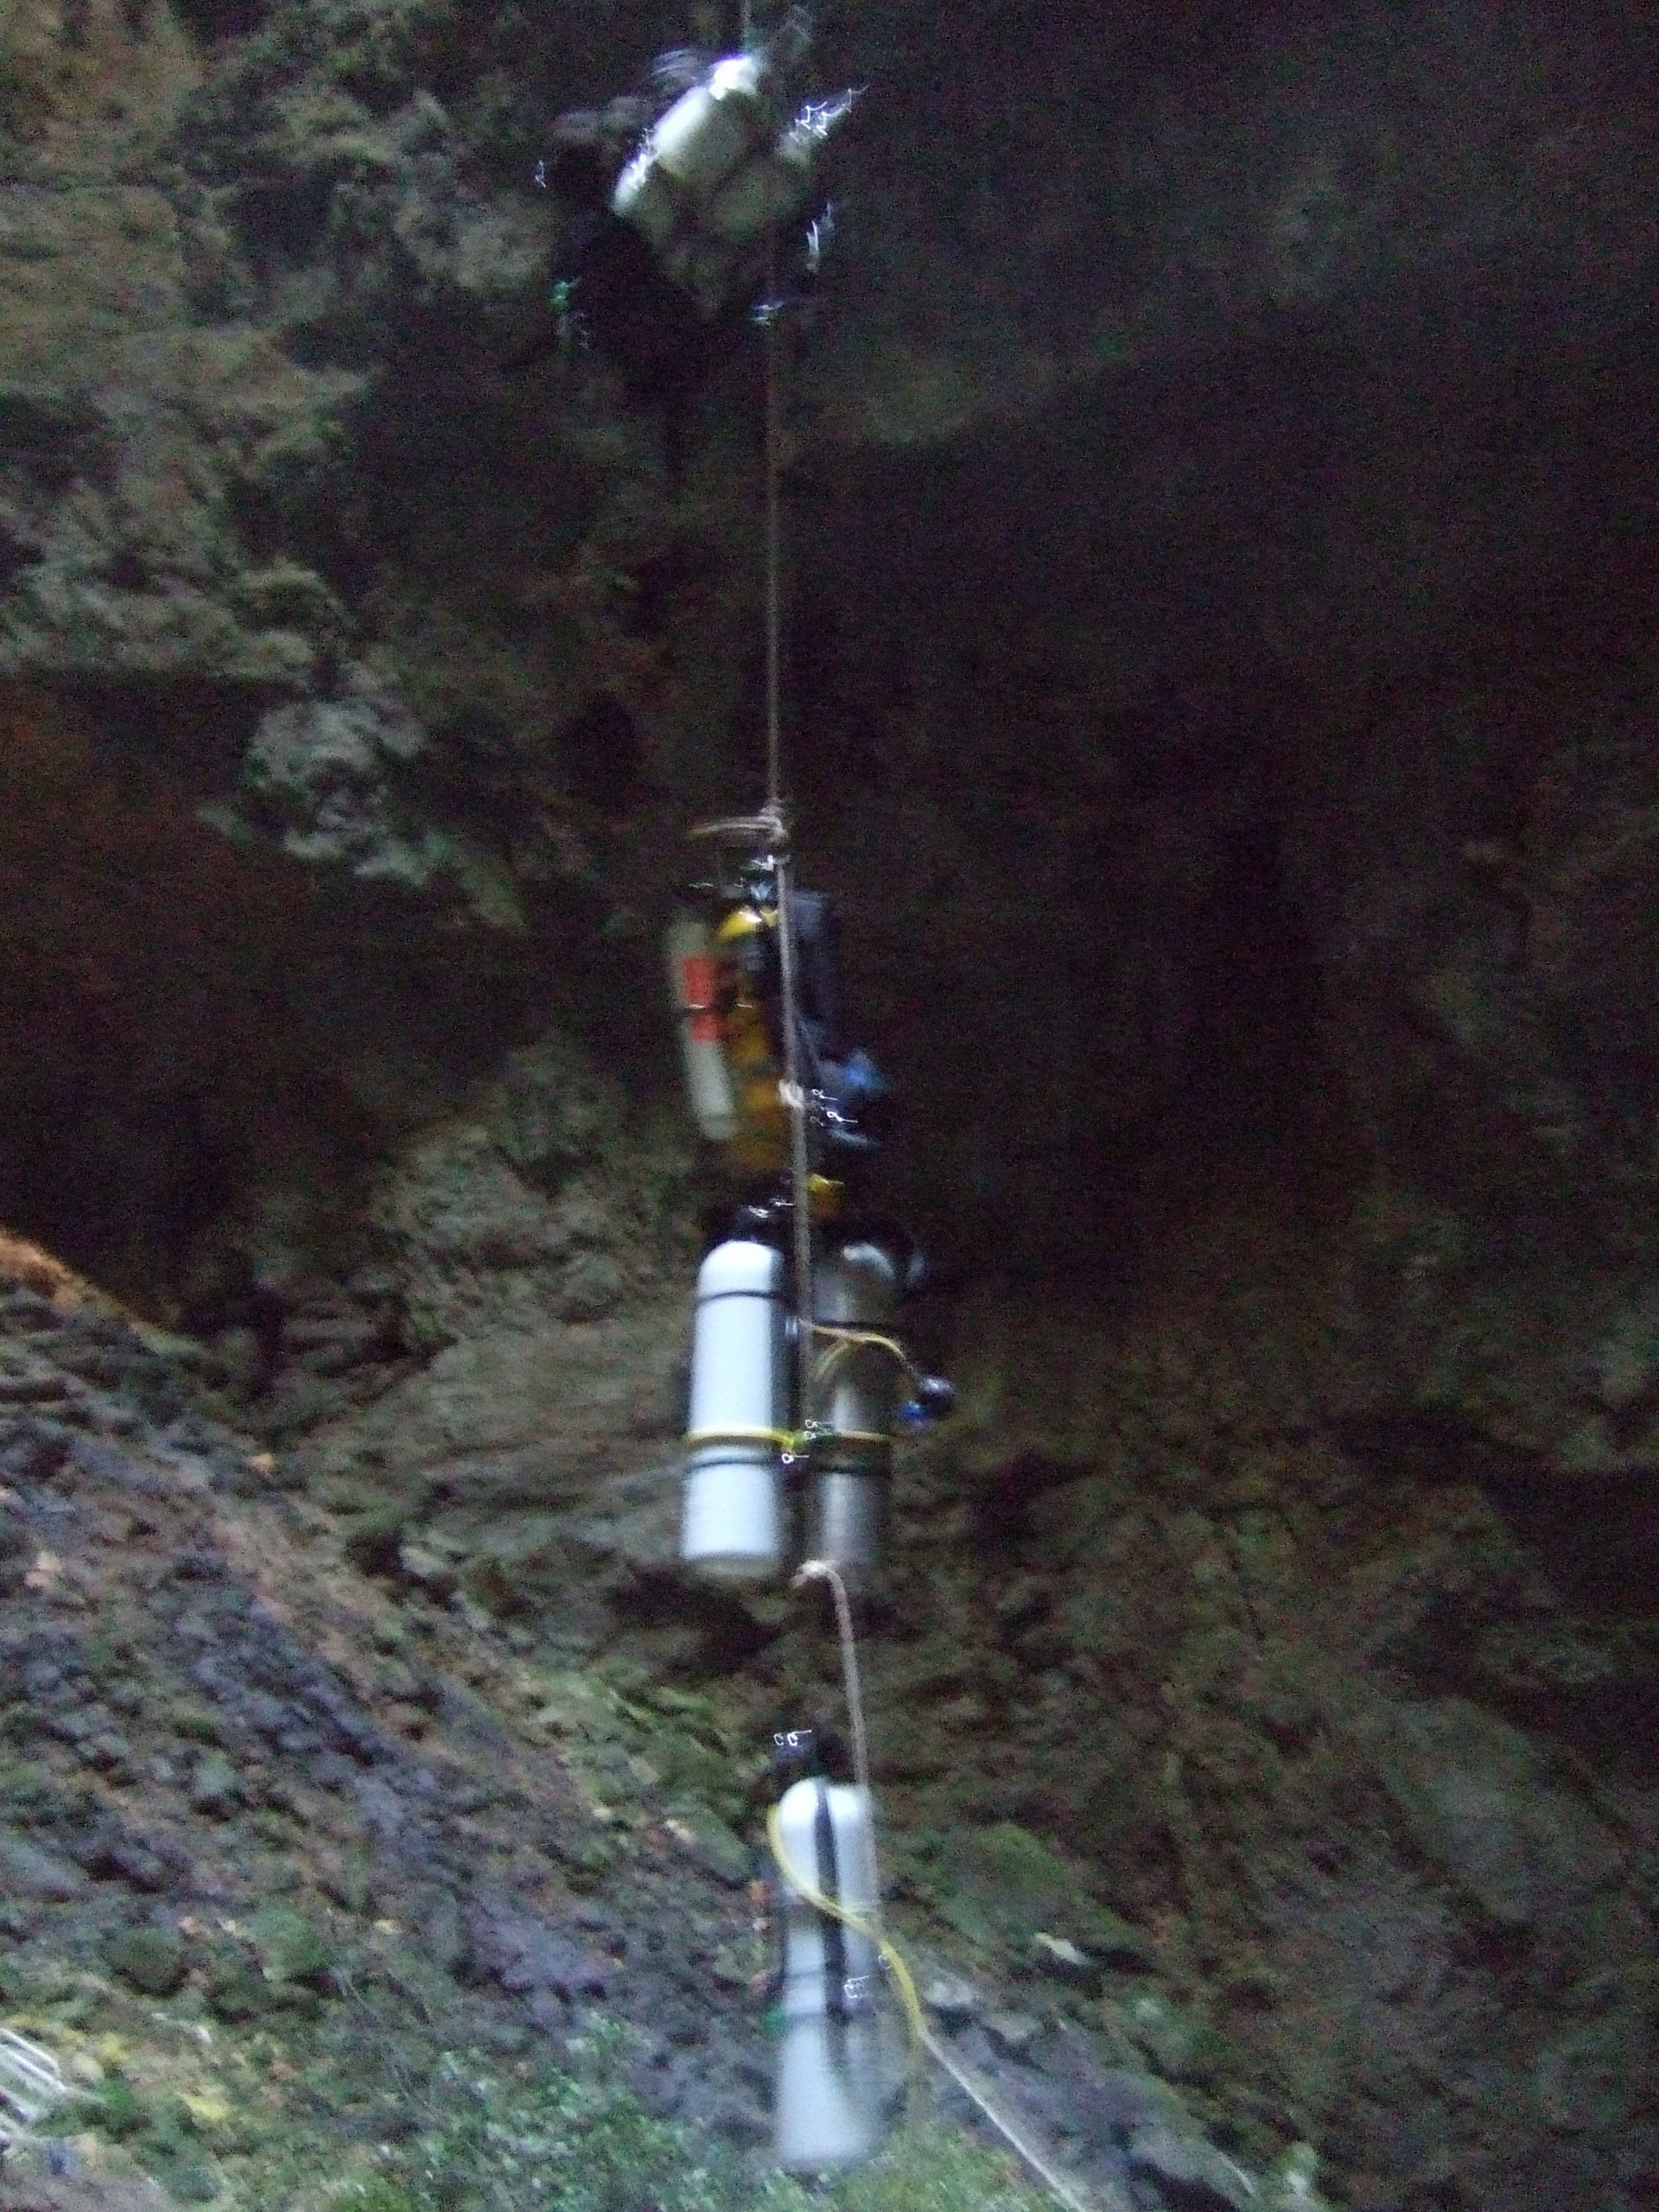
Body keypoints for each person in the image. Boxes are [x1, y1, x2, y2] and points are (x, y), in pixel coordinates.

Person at [519, 10, 855, 402]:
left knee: (789, 147)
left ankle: (834, 111)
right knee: (743, 96)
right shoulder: (589, 268)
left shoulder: (624, 345)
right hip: (661, 207)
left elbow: (714, 344)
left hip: (696, 259)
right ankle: (803, 52)